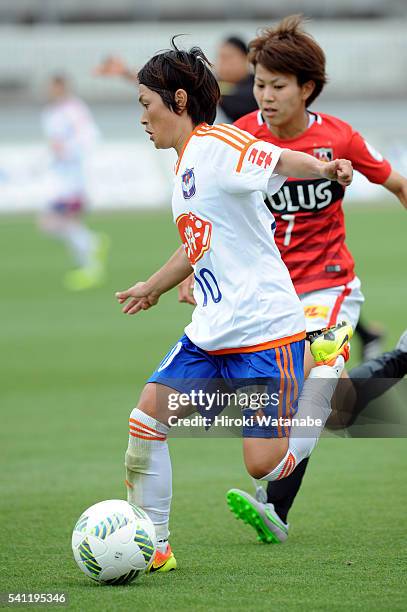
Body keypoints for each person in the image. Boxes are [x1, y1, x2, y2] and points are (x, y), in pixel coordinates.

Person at [114, 40, 354, 572]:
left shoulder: (218, 143)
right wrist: (154, 285)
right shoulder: (184, 168)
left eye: (144, 103)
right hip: (210, 331)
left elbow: (279, 158)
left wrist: (326, 169)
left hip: (266, 331)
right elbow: (197, 241)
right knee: (145, 422)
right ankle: (155, 546)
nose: (141, 117)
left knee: (266, 465)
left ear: (177, 100)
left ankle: (325, 375)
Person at [208, 16, 407, 544]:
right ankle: (398, 359)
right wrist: (194, 268)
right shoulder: (240, 137)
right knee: (318, 400)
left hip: (329, 283)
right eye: (258, 84)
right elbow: (211, 212)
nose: (265, 96)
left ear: (307, 88)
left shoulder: (338, 137)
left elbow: (397, 184)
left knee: (313, 388)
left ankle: (276, 502)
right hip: (269, 293)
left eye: (277, 86)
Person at [39, 74, 108, 291]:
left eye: (55, 87)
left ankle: (91, 256)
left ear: (63, 87)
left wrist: (67, 150)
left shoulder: (75, 110)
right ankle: (91, 255)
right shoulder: (50, 113)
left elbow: (90, 138)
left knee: (53, 222)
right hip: (59, 178)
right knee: (57, 224)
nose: (51, 91)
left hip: (73, 179)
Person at [215, 36, 258, 122]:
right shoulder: (213, 84)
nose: (223, 63)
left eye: (229, 57)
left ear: (246, 58)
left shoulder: (257, 84)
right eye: (221, 57)